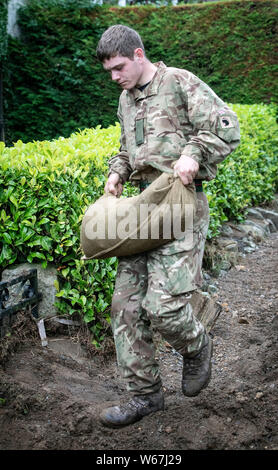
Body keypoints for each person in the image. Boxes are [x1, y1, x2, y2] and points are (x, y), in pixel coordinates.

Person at [96, 24, 240, 428]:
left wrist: (193, 153)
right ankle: (144, 395)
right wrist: (117, 171)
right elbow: (127, 148)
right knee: (125, 306)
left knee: (164, 307)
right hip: (141, 210)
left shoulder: (178, 82)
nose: (115, 77)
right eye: (109, 71)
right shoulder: (126, 100)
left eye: (119, 67)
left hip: (179, 204)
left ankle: (196, 347)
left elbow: (227, 127)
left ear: (139, 55)